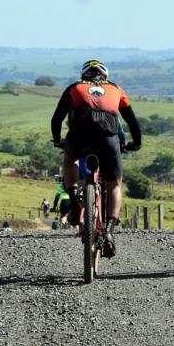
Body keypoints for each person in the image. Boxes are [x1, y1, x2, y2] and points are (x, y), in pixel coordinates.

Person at [51, 59, 142, 257]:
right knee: (114, 185)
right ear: (105, 76)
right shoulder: (116, 89)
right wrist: (137, 143)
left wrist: (58, 141)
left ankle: (75, 203)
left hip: (78, 138)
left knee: (69, 159)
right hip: (108, 141)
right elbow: (132, 122)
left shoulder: (74, 88)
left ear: (83, 75)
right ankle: (109, 230)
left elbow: (56, 119)